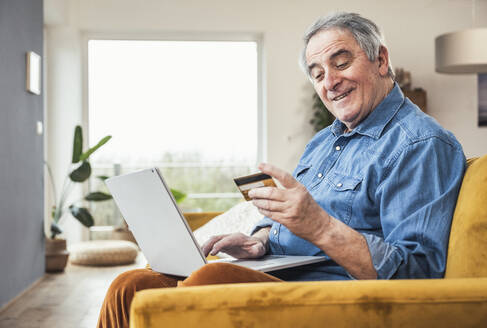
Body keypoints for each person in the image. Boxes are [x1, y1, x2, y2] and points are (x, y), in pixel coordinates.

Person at [97, 12, 466, 327]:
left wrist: (320, 226)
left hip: (339, 297)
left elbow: (417, 272)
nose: (330, 82)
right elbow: (293, 223)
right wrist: (259, 241)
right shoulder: (323, 142)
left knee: (211, 278)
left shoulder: (419, 145)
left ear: (381, 60)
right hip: (282, 273)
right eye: (317, 73)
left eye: (340, 63)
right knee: (128, 286)